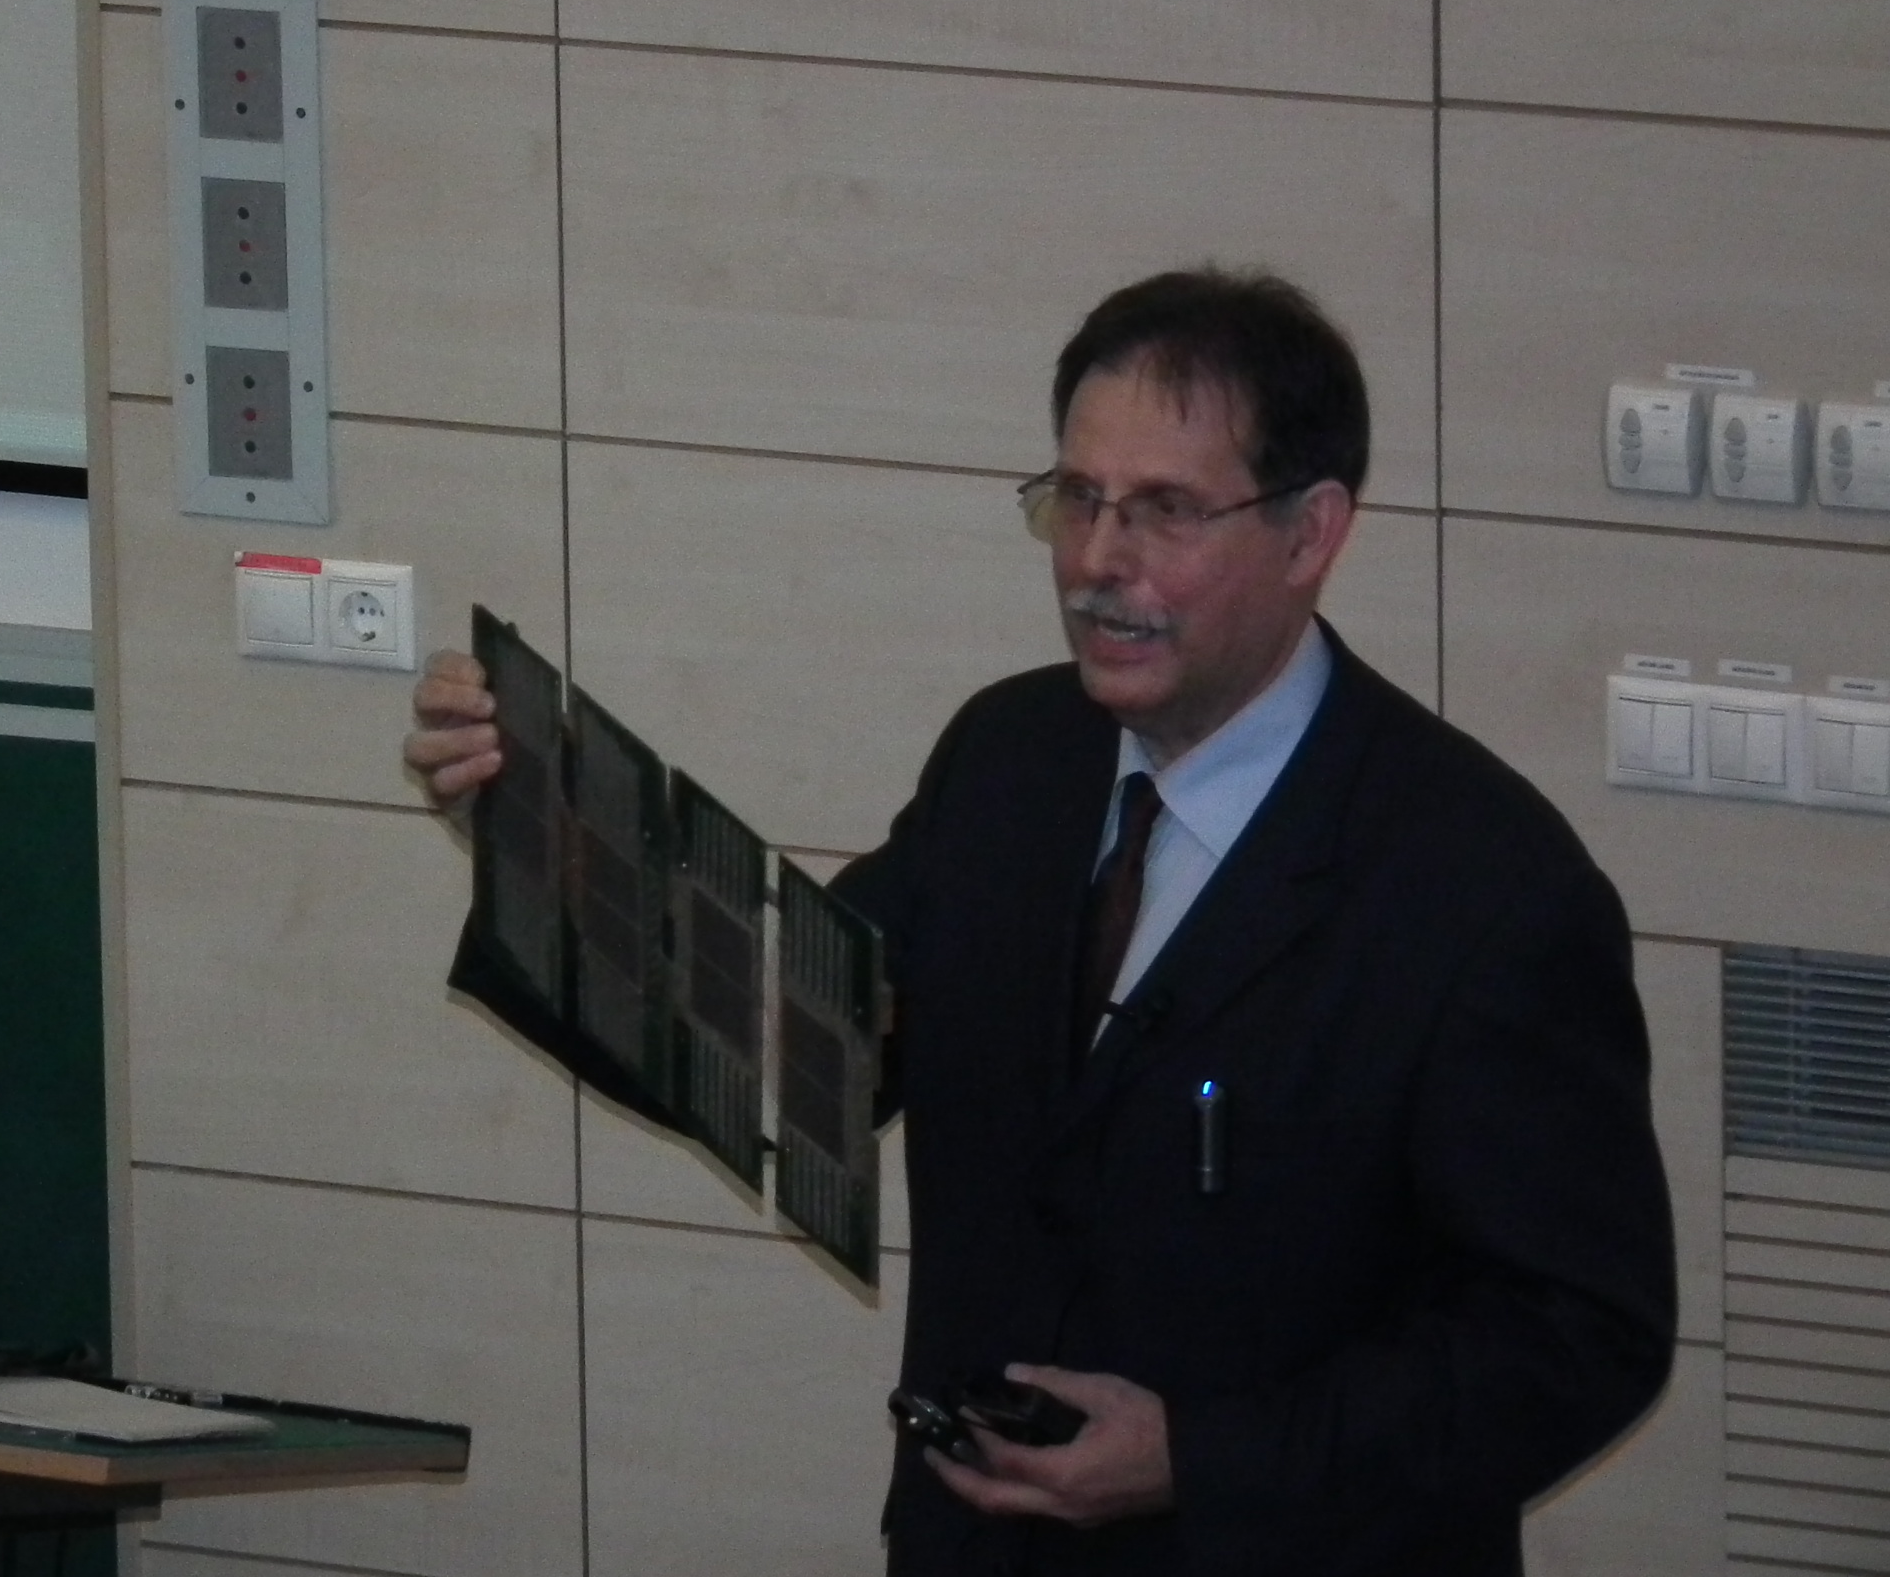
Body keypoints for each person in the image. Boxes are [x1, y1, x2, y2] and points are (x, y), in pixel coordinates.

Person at [407, 271, 1676, 1576]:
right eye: (1077, 498)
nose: (1098, 563)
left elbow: (1576, 1337)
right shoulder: (1009, 759)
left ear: (1311, 533)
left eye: (1166, 510)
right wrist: (545, 847)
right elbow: (789, 1049)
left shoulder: (1484, 887)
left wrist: (1203, 1457)